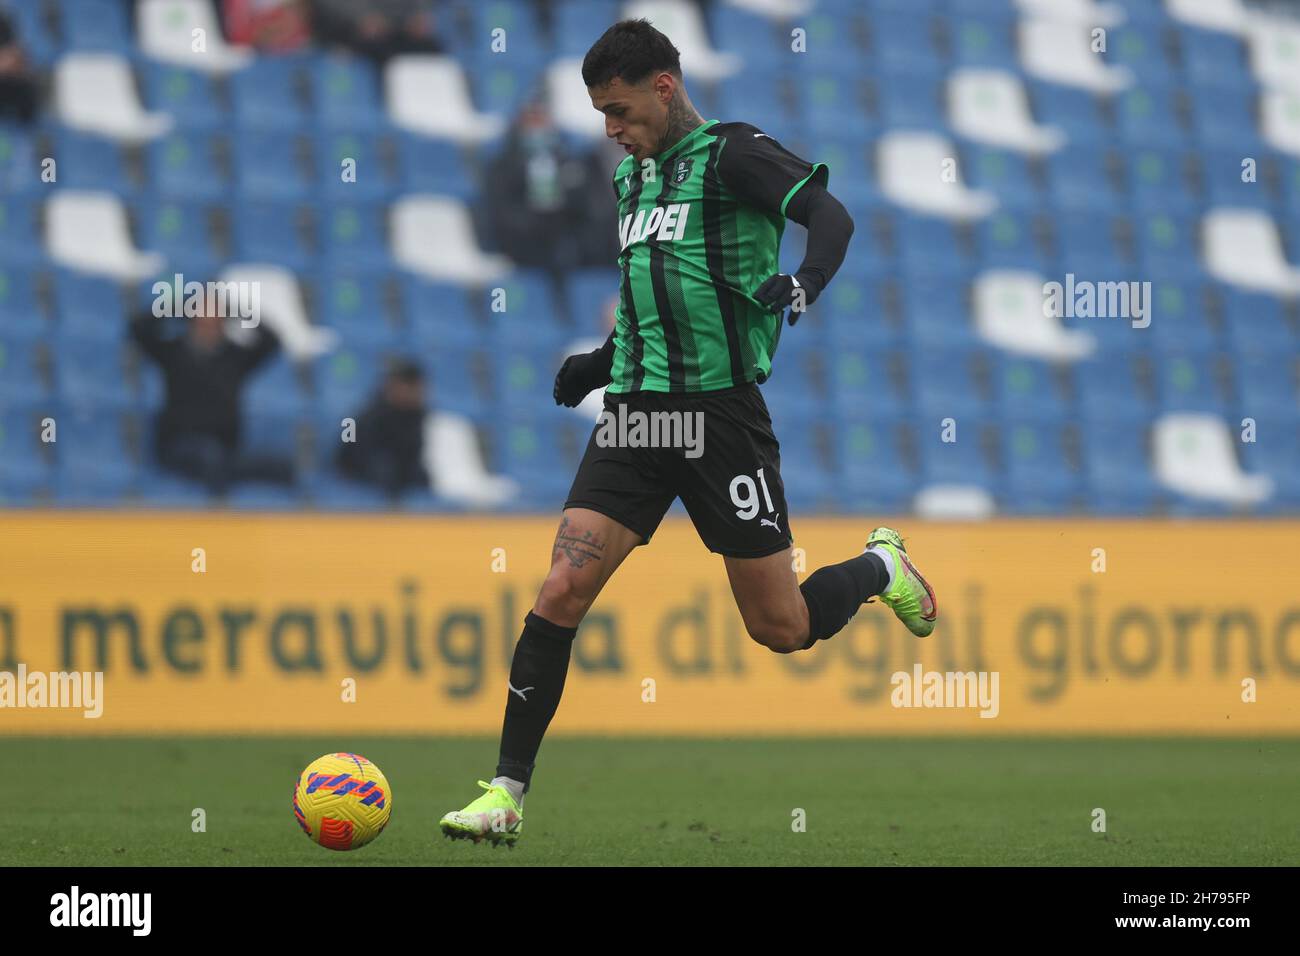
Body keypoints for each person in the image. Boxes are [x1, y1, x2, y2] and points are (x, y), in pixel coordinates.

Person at [439, 19, 938, 846]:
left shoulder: (735, 154)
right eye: (601, 113)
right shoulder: (630, 180)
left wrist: (804, 281)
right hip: (637, 414)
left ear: (664, 88)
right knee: (561, 589)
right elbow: (655, 292)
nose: (611, 129)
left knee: (780, 627)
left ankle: (882, 564)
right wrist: (600, 363)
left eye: (621, 110)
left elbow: (832, 215)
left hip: (720, 417)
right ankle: (504, 793)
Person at [130, 307, 296, 496]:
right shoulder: (173, 352)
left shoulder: (234, 357)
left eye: (215, 319)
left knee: (281, 467)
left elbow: (271, 342)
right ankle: (217, 510)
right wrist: (175, 308)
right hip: (179, 445)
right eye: (202, 318)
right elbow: (138, 329)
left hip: (225, 449)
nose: (208, 325)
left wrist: (237, 311)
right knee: (209, 457)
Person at [336, 359, 429, 496]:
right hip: (363, 474)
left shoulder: (419, 415)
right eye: (407, 386)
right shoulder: (368, 416)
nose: (414, 392)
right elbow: (349, 455)